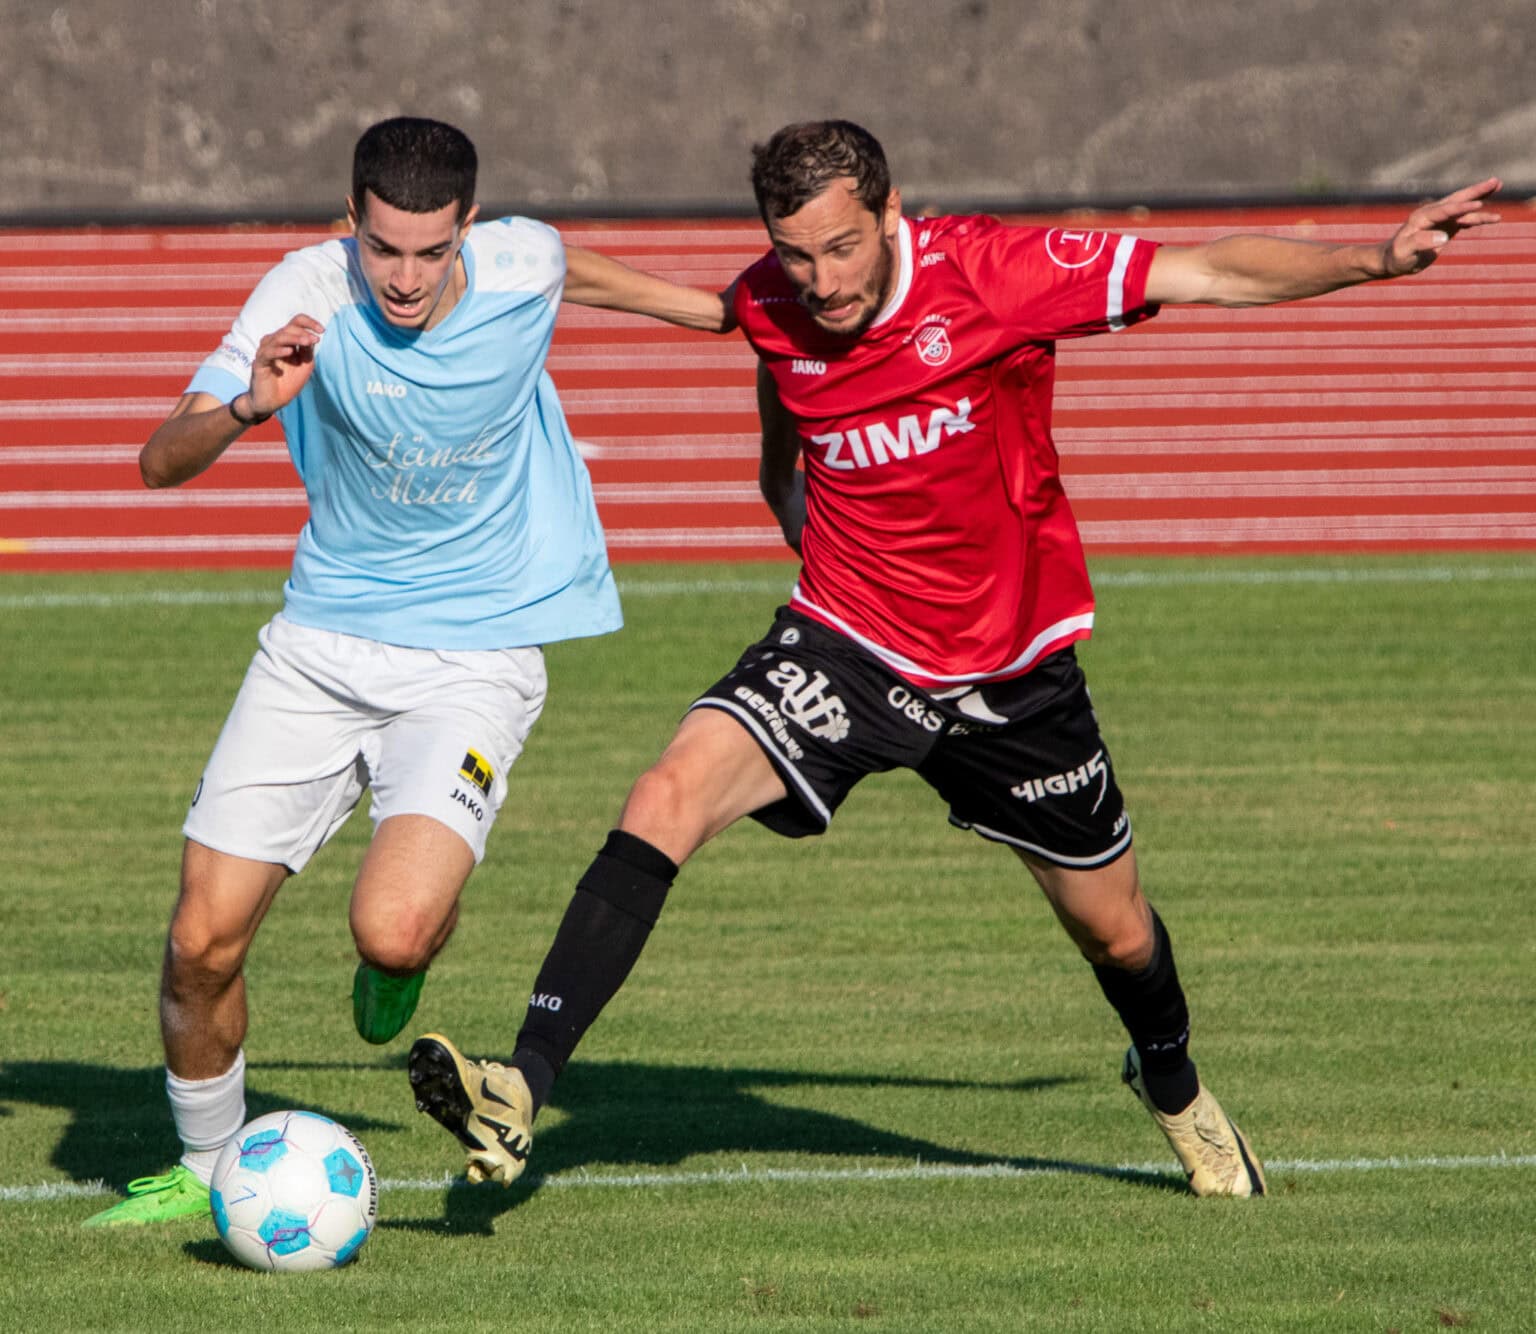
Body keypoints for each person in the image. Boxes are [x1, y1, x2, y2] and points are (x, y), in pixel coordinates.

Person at [407, 121, 1501, 1198]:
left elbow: (1213, 268)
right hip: (849, 641)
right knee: (668, 789)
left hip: (1014, 673)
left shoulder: (995, 272)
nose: (822, 279)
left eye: (844, 247)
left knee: (1115, 930)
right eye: (797, 253)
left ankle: (1172, 1084)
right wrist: (775, 475)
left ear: (890, 214)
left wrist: (1376, 258)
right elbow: (744, 335)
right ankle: (523, 1082)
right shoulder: (779, 298)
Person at [83, 116, 730, 1227]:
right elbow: (157, 460)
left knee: (392, 929)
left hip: (474, 660)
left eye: (432, 252)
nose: (406, 276)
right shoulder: (304, 293)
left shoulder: (525, 260)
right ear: (352, 223)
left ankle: (400, 960)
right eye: (384, 249)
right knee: (199, 940)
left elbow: (587, 274)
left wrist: (727, 315)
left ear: (469, 227)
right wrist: (249, 405)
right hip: (321, 647)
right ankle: (205, 1166)